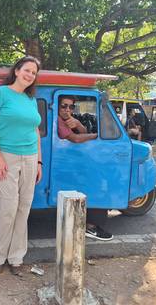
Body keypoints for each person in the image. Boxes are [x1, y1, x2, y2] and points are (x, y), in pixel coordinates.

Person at [0, 56, 42, 275]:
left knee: (24, 208)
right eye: (27, 70)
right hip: (6, 156)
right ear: (17, 70)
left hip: (30, 157)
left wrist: (38, 161)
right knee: (7, 207)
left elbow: (35, 131)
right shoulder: (1, 93)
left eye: (34, 73)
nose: (30, 75)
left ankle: (16, 257)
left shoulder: (30, 99)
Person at [57, 95, 114, 241]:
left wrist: (78, 124)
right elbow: (75, 139)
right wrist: (98, 135)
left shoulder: (68, 120)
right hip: (63, 162)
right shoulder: (57, 120)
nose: (67, 110)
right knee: (97, 185)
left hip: (70, 161)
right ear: (57, 106)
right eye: (64, 106)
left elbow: (81, 133)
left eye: (71, 107)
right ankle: (91, 226)